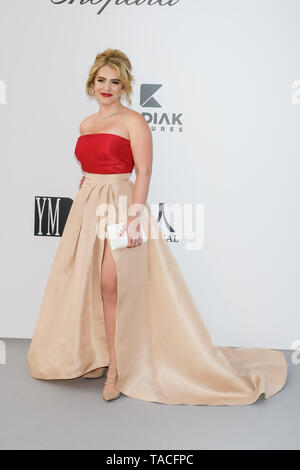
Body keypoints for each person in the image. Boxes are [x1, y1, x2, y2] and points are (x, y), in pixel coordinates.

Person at [27, 48, 287, 405]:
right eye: (101, 80)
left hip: (120, 204)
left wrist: (134, 217)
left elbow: (144, 172)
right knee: (88, 282)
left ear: (124, 86)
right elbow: (88, 168)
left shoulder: (134, 121)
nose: (107, 87)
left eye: (115, 82)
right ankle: (96, 356)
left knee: (111, 282)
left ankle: (117, 370)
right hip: (88, 204)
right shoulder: (86, 124)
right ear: (92, 83)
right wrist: (83, 197)